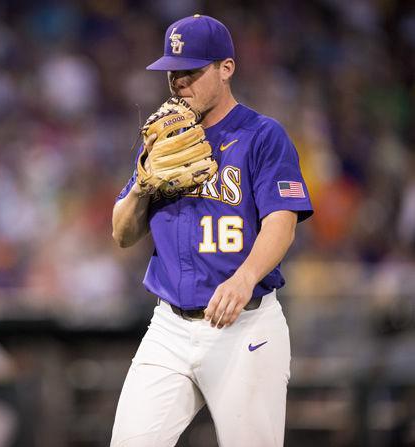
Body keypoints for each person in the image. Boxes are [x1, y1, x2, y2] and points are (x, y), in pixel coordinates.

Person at [110, 14, 314, 447]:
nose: (179, 82)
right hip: (168, 327)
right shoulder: (164, 139)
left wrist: (244, 278)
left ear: (226, 68)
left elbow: (282, 221)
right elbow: (122, 233)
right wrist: (143, 184)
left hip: (244, 326)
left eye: (193, 71)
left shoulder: (262, 135)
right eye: (173, 71)